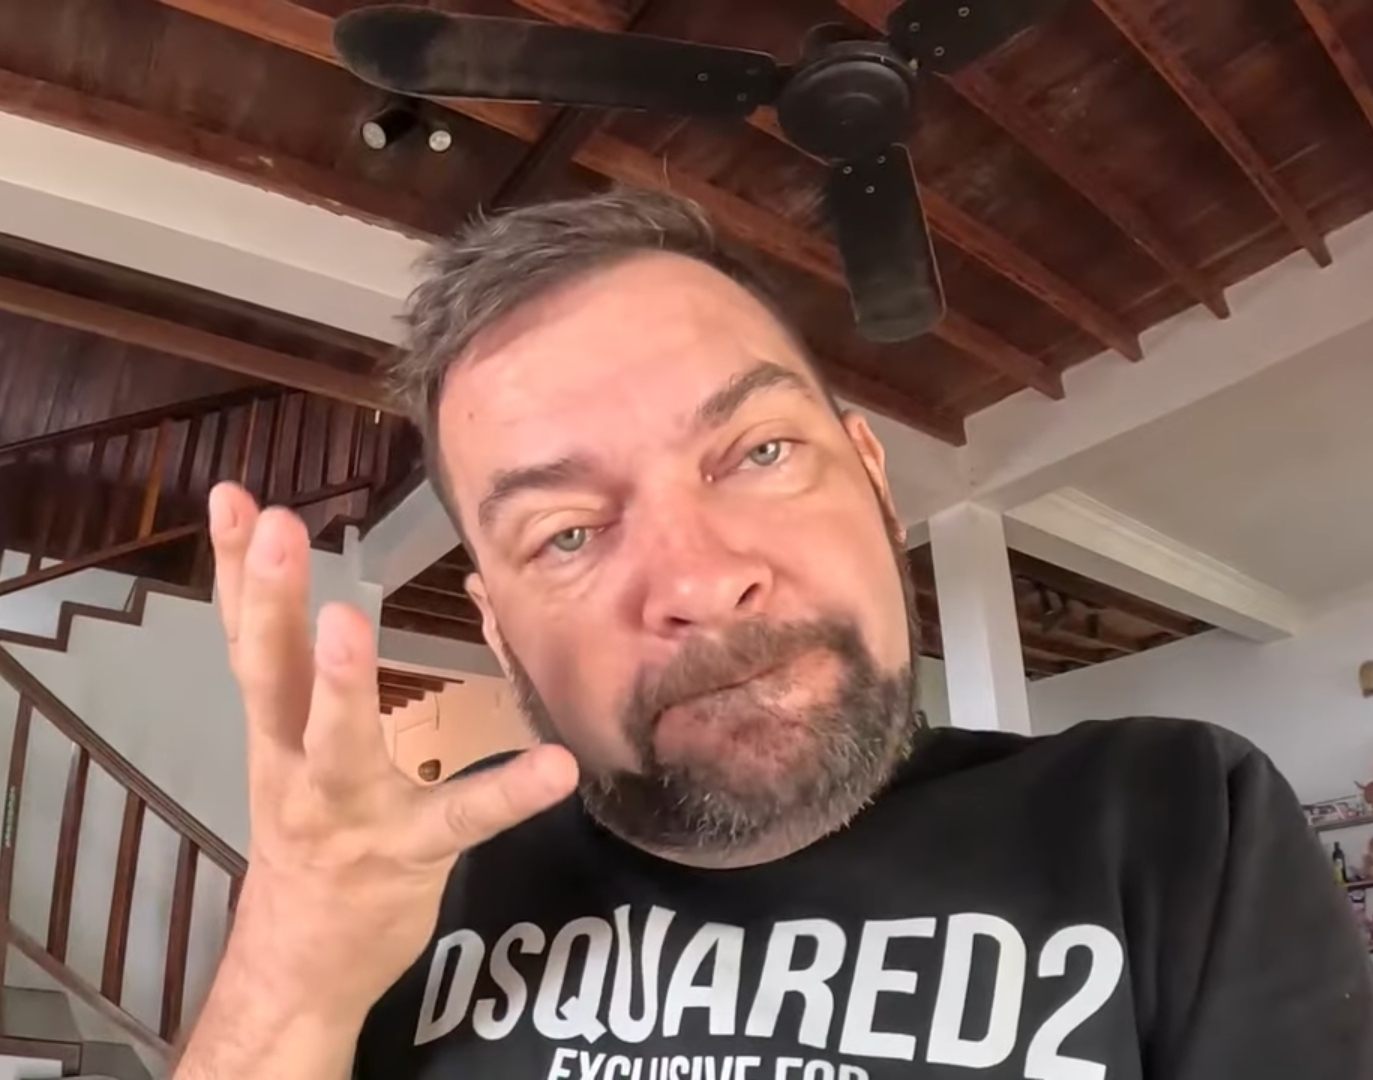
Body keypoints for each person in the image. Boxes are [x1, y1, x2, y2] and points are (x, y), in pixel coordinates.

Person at [174, 190, 1373, 1080]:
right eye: (567, 533)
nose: (700, 581)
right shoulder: (409, 885)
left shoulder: (1176, 818)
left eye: (757, 452)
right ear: (496, 631)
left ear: (872, 480)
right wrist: (286, 988)